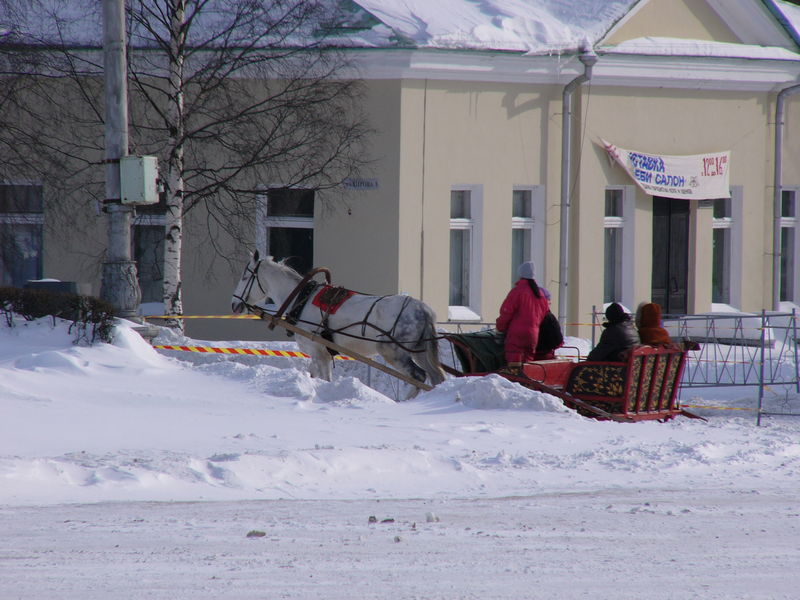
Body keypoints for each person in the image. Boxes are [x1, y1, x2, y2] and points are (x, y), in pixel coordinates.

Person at [496, 261, 550, 369]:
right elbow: (544, 314)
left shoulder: (517, 291)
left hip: (516, 335)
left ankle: (515, 381)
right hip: (533, 335)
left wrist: (500, 328)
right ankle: (526, 382)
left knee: (514, 364)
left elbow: (506, 312)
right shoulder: (540, 295)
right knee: (527, 366)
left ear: (520, 275)